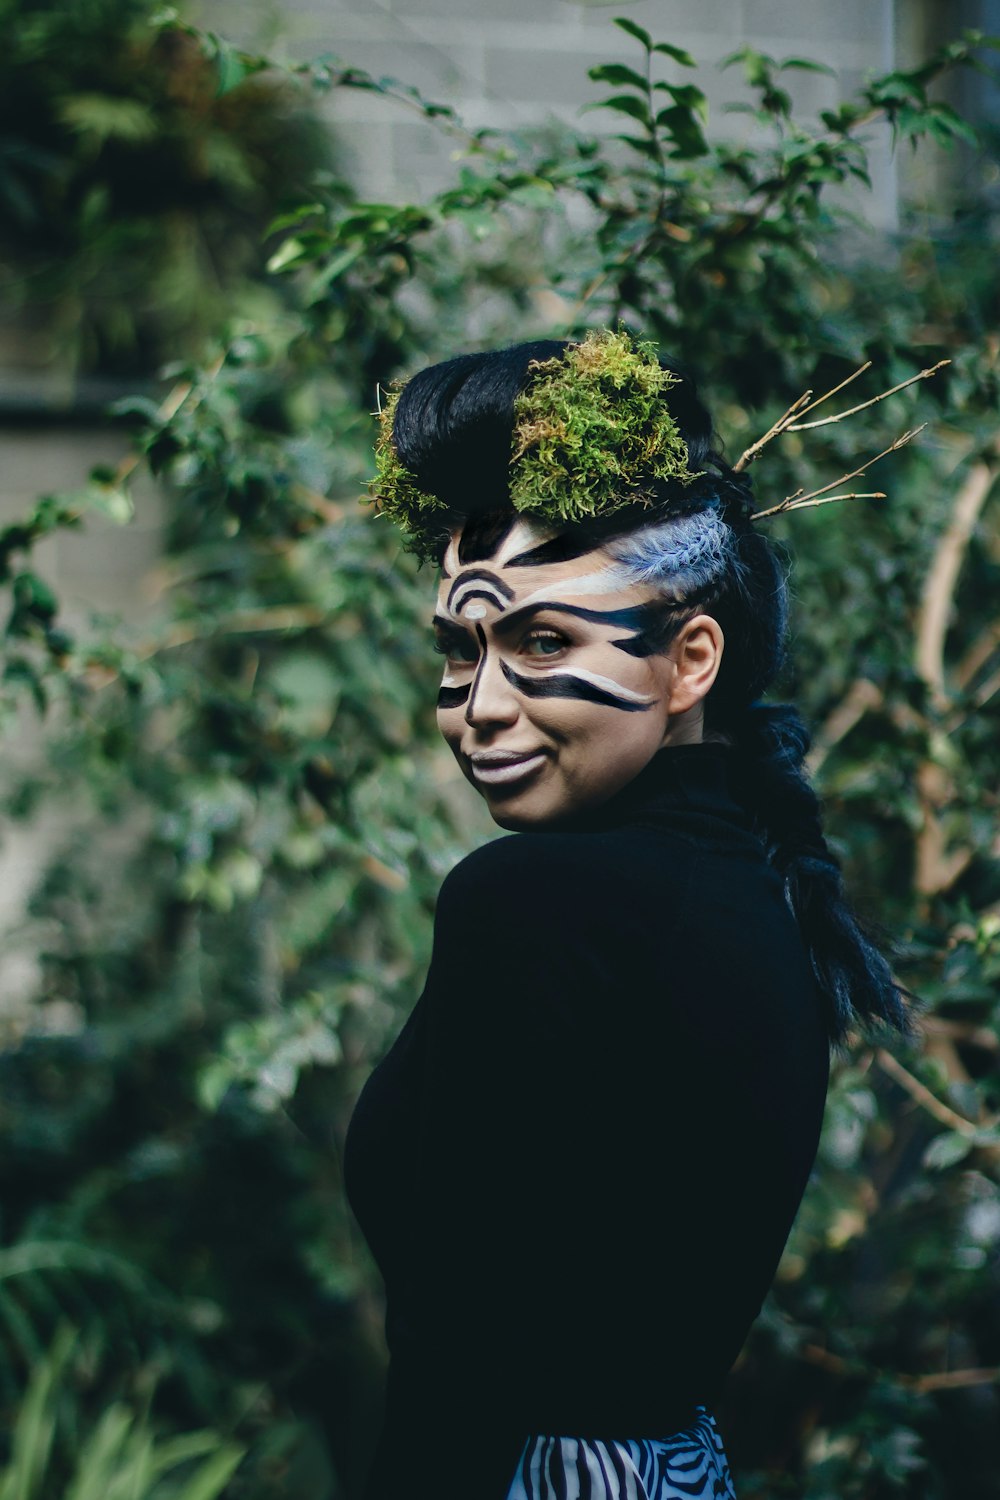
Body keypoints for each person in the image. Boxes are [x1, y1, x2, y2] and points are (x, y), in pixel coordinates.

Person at [343, 331, 911, 1500]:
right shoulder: (762, 892)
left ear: (688, 659)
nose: (479, 710)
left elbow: (464, 1354)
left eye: (541, 643)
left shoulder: (539, 903)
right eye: (461, 650)